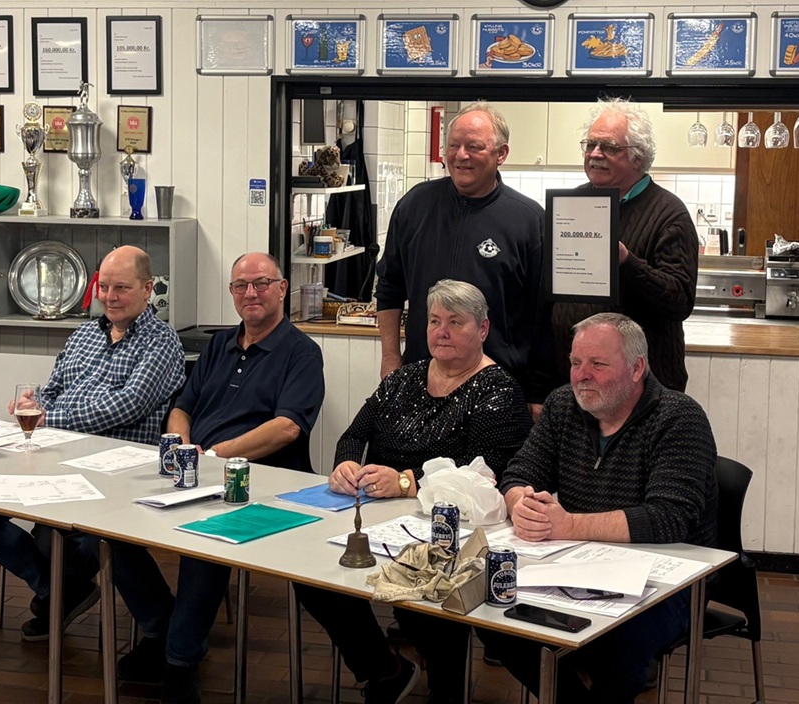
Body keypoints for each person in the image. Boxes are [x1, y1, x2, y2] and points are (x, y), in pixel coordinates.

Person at [294, 279, 531, 704]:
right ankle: (382, 668)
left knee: (429, 603)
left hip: (449, 532)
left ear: (482, 329)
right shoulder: (403, 378)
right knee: (313, 579)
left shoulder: (499, 391)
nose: (442, 332)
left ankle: (445, 691)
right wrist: (345, 465)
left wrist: (407, 482)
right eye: (435, 321)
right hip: (379, 519)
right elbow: (354, 435)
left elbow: (484, 470)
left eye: (455, 322)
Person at [111, 252, 324, 704]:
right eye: (240, 286)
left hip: (259, 484)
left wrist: (214, 457)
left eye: (261, 283)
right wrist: (184, 449)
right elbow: (181, 408)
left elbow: (287, 428)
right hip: (195, 471)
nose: (251, 293)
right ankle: (160, 627)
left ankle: (179, 662)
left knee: (206, 540)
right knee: (111, 528)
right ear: (231, 293)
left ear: (282, 289)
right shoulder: (219, 345)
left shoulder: (302, 352)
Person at [0, 246, 185, 641]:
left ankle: (163, 629)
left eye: (122, 288)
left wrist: (46, 418)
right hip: (54, 460)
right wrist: (32, 401)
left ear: (147, 289)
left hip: (118, 476)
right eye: (104, 287)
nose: (109, 297)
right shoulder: (84, 334)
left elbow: (127, 405)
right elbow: (52, 391)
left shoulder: (162, 341)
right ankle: (58, 589)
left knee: (95, 540)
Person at [478, 312, 718, 703]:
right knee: (495, 613)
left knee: (618, 644)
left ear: (637, 368)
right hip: (581, 563)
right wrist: (522, 503)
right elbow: (520, 472)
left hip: (671, 577)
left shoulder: (678, 418)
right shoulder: (563, 405)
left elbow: (669, 518)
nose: (581, 376)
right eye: (575, 363)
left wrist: (567, 526)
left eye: (598, 364)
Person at [376, 100, 553, 417]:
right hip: (421, 385)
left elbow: (543, 315)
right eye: (453, 146)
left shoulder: (529, 220)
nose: (461, 156)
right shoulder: (415, 206)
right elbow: (389, 287)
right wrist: (390, 357)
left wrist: (538, 392)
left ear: (501, 154)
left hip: (499, 392)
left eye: (474, 147)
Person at [552, 98, 700, 392]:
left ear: (637, 157)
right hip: (574, 379)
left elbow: (679, 300)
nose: (595, 154)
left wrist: (625, 261)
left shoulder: (669, 213)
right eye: (590, 144)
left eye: (609, 147)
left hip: (640, 387)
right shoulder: (571, 203)